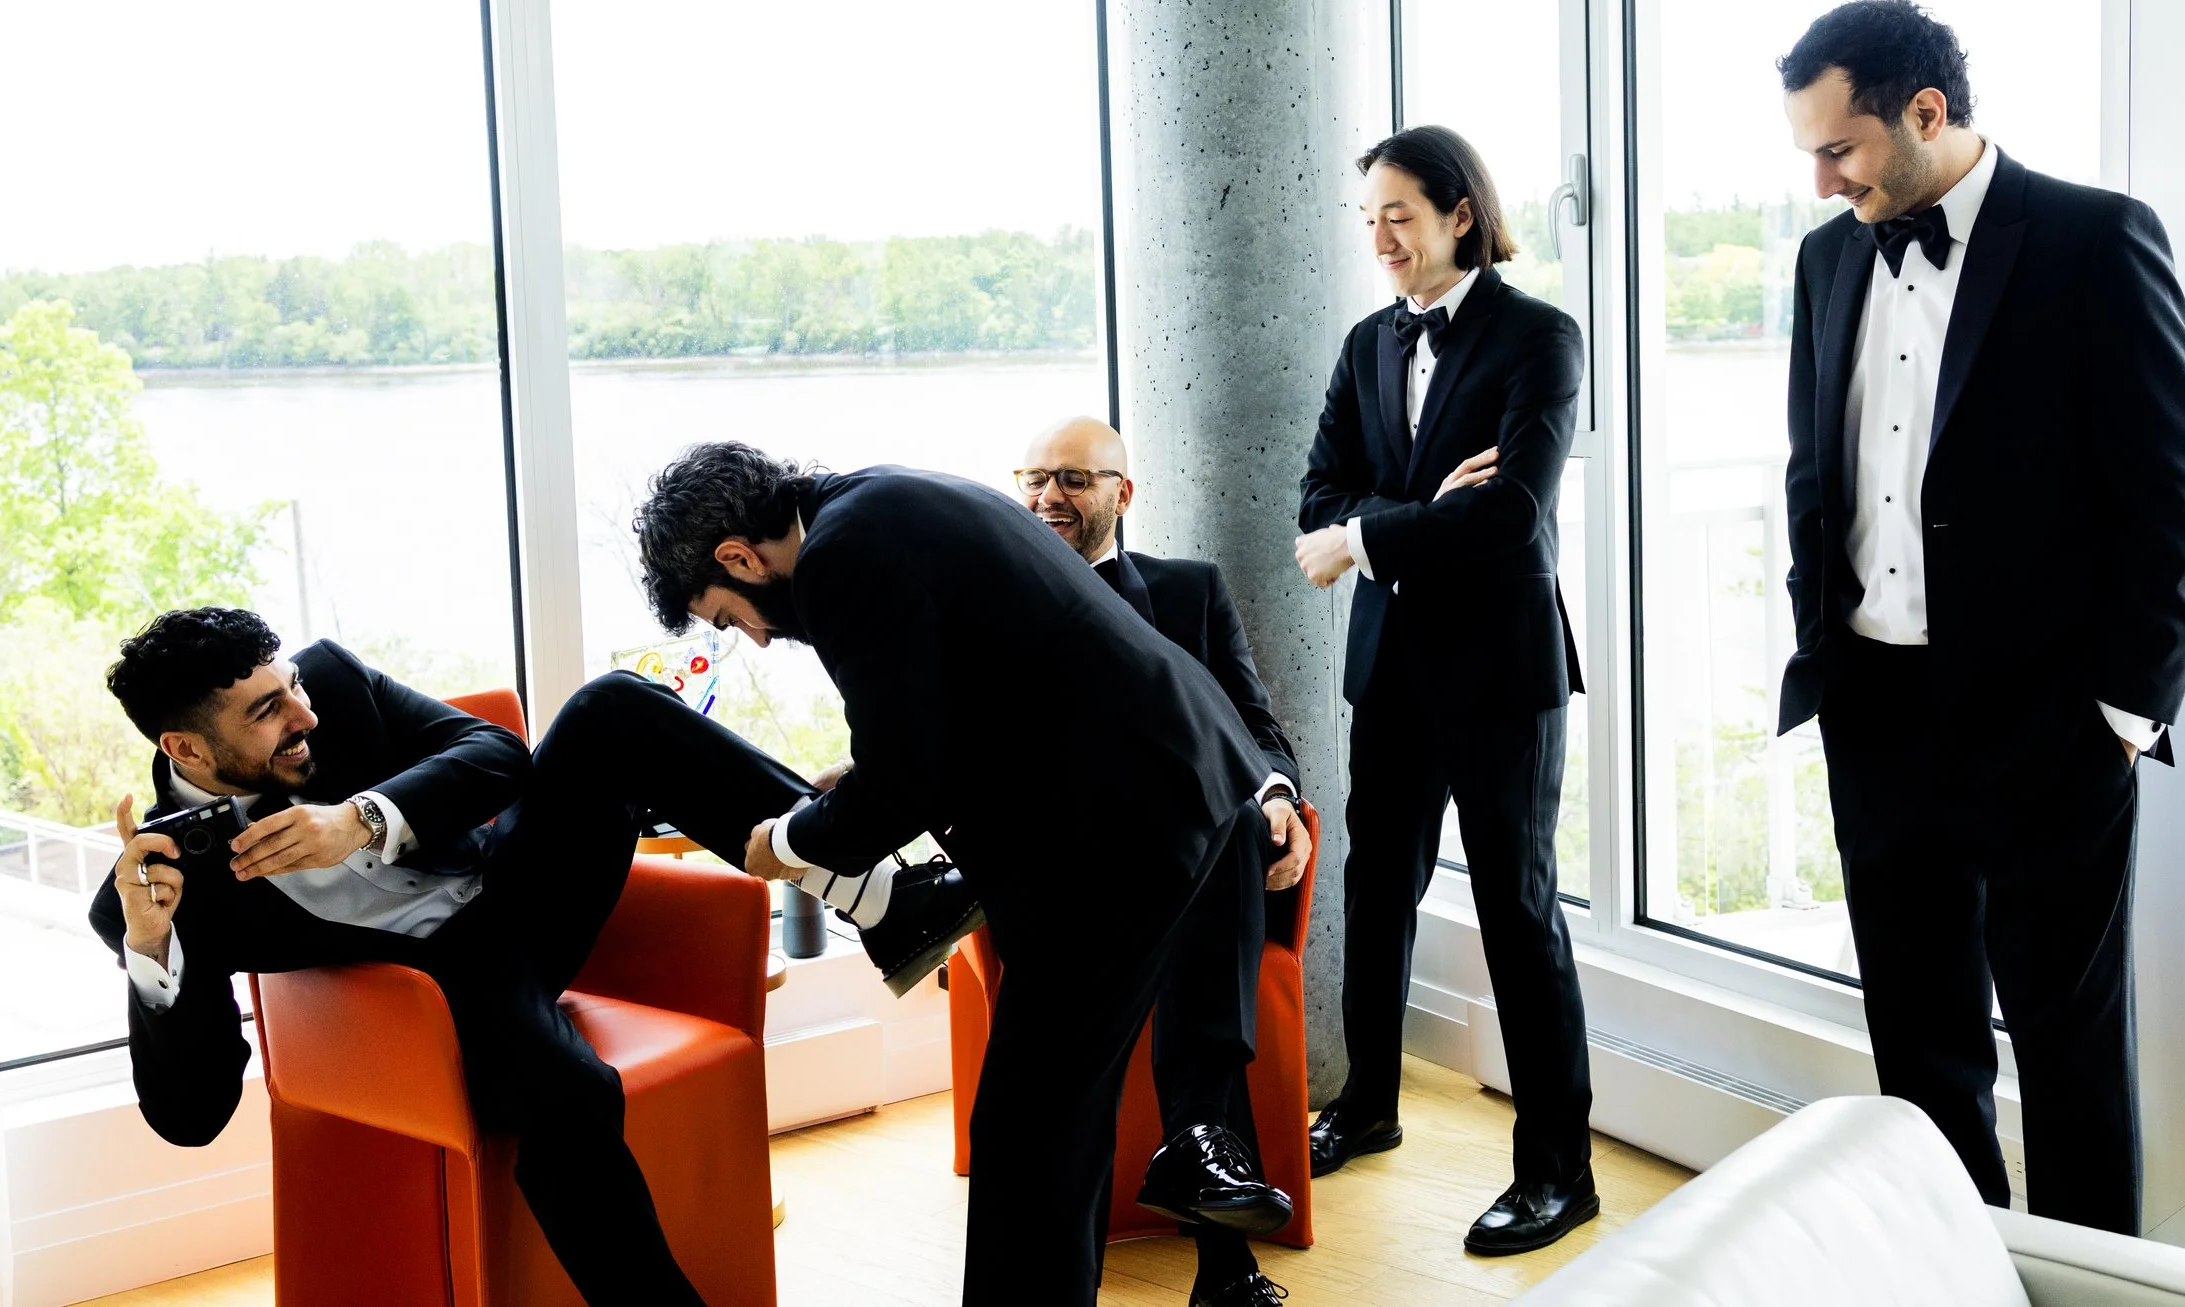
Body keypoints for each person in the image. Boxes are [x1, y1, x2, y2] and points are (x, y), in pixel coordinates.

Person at [86, 608, 977, 1306]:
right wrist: (151, 942)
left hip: (515, 892)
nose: (304, 712)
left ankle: (878, 892)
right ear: (187, 749)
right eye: (268, 710)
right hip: (438, 991)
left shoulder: (334, 681)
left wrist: (356, 818)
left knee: (612, 707)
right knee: (571, 1095)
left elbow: (494, 754)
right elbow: (190, 1114)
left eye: (289, 687)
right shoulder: (166, 885)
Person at [633, 446, 1286, 1307]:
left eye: (726, 616)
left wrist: (790, 840)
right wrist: (856, 782)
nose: (751, 634)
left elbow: (910, 778)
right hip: (1162, 793)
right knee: (1053, 1124)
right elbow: (960, 704)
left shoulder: (837, 560)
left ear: (739, 559)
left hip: (1118, 831)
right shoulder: (875, 496)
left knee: (1029, 1133)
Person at [1775, 0, 2185, 1234]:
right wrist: (1826, 649)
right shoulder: (1826, 259)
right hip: (1874, 712)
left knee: (2070, 1059)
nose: (1821, 180)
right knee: (1917, 1053)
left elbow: (2172, 499)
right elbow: (1816, 474)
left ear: (1926, 112)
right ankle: (1955, 1268)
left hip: (2051, 730)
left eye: (1839, 148)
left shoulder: (2093, 238)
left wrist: (2121, 716)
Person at [1294, 125, 1598, 1256]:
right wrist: (1420, 507)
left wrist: (1370, 529)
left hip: (1501, 667)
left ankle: (1558, 1170)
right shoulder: (1368, 342)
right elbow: (1315, 493)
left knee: (1519, 910)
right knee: (1377, 889)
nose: (1376, 236)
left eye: (1397, 214)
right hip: (1393, 667)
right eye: (1363, 215)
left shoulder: (1540, 337)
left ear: (1459, 211)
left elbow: (1512, 514)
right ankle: (1368, 1102)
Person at [1017, 414, 1313, 1307]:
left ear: (1122, 492)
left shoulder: (1190, 593)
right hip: (1063, 875)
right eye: (1032, 478)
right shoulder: (996, 608)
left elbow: (1258, 731)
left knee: (1226, 819)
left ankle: (1195, 1144)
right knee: (1212, 841)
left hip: (1188, 867)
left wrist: (1273, 797)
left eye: (1072, 478)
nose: (1047, 497)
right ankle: (1222, 1252)